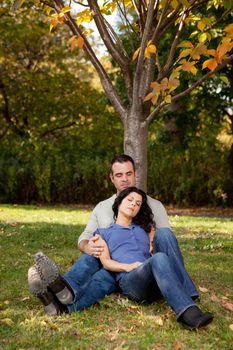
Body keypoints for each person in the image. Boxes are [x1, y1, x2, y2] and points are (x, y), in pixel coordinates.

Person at [28, 154, 199, 312]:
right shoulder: (102, 207)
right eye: (119, 175)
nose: (125, 179)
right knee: (95, 262)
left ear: (135, 175)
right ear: (112, 178)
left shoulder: (154, 205)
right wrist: (88, 247)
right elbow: (84, 237)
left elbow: (166, 241)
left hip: (142, 269)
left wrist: (151, 244)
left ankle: (184, 289)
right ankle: (63, 292)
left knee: (164, 234)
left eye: (128, 174)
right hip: (108, 264)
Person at [28, 187, 213, 328]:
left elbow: (158, 239)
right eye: (130, 199)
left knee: (160, 256)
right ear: (119, 202)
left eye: (138, 203)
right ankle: (188, 313)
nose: (134, 204)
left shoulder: (145, 229)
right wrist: (129, 266)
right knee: (158, 259)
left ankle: (57, 302)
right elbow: (106, 263)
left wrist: (151, 243)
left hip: (156, 280)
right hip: (131, 281)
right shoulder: (103, 233)